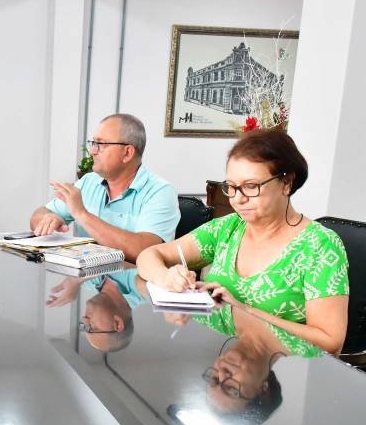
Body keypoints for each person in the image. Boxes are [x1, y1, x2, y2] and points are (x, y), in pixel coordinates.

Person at [137, 129, 349, 355]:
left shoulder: (320, 246)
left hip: (281, 372)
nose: (238, 198)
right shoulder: (228, 227)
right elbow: (148, 256)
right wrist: (166, 278)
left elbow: (329, 343)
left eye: (251, 186)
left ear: (286, 182)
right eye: (231, 187)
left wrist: (244, 310)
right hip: (215, 358)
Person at [29, 114, 180, 261]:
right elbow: (39, 215)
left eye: (101, 144)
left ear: (127, 153)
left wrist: (82, 214)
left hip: (134, 283)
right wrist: (48, 219)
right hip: (88, 282)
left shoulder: (160, 192)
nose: (93, 151)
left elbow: (146, 251)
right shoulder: (88, 182)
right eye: (93, 143)